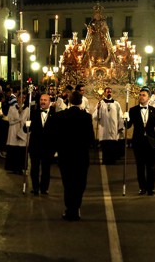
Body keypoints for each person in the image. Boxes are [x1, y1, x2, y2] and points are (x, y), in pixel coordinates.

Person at [54, 91, 95, 220]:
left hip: (65, 155)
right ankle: (76, 207)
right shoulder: (86, 117)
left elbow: (56, 137)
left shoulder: (60, 116)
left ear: (69, 101)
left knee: (68, 182)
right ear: (81, 101)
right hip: (81, 156)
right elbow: (91, 139)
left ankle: (69, 208)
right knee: (79, 182)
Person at [127, 88, 155, 195]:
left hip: (151, 142)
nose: (141, 97)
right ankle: (142, 187)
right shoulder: (133, 110)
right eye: (140, 95)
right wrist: (125, 119)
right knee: (140, 166)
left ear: (148, 97)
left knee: (151, 166)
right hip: (138, 142)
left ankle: (151, 188)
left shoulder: (154, 110)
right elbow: (128, 126)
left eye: (143, 95)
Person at [26, 93, 56, 195]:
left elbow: (57, 133)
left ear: (49, 102)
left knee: (46, 169)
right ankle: (35, 188)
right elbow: (26, 130)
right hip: (35, 146)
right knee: (34, 168)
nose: (42, 102)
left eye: (45, 100)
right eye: (41, 100)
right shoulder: (33, 113)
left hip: (48, 147)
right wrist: (27, 125)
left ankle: (44, 188)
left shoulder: (55, 115)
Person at [93, 87, 123, 165]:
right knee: (105, 146)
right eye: (107, 92)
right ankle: (105, 161)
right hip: (104, 127)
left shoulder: (116, 103)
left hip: (113, 127)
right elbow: (95, 116)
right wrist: (98, 109)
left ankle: (112, 160)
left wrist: (120, 126)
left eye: (110, 92)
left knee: (113, 145)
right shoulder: (100, 103)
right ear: (104, 93)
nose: (109, 93)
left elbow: (120, 115)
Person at [4, 93, 29, 174]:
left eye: (23, 97)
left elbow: (27, 121)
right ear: (17, 98)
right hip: (13, 131)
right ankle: (13, 167)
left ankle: (20, 168)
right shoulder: (12, 108)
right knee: (13, 150)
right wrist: (19, 117)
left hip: (22, 131)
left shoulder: (27, 109)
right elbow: (10, 120)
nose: (21, 99)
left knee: (21, 150)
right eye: (20, 97)